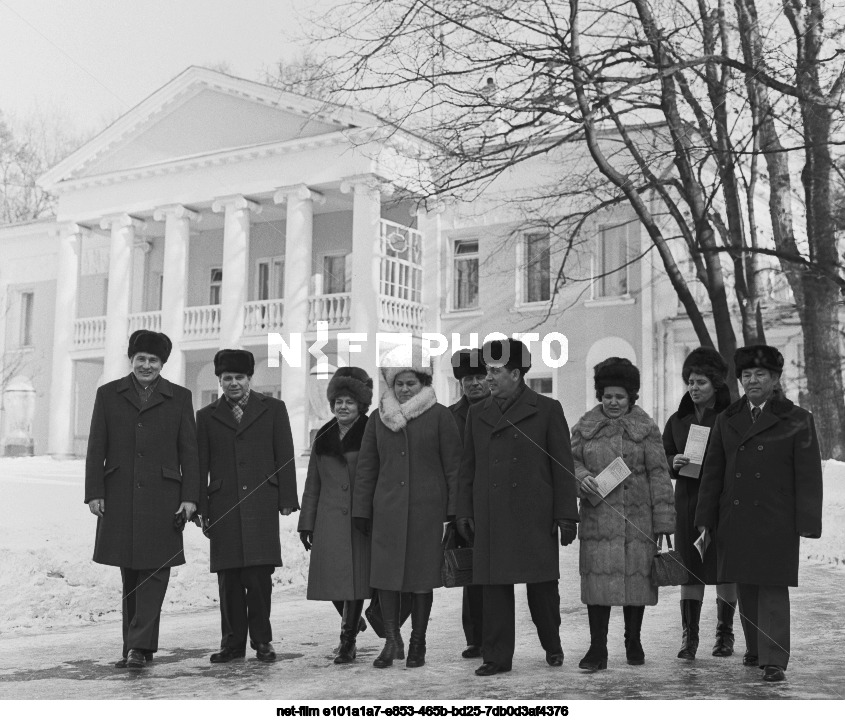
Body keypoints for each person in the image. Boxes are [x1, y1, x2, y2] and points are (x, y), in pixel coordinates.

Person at [695, 345, 823, 683]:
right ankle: (756, 649)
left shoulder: (797, 419)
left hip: (776, 517)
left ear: (775, 379)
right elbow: (713, 471)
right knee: (746, 586)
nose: (752, 381)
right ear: (739, 380)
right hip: (734, 516)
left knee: (772, 587)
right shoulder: (727, 419)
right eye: (746, 375)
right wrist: (705, 519)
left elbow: (809, 475)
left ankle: (774, 658)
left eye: (760, 375)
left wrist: (807, 522)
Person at [456, 338, 579, 677]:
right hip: (491, 515)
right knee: (494, 588)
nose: (487, 379)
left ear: (516, 373)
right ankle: (496, 656)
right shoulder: (478, 414)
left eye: (494, 372)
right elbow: (468, 467)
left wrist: (566, 514)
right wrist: (463, 511)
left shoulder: (547, 409)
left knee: (542, 589)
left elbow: (562, 467)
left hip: (534, 515)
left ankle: (551, 643)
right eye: (486, 372)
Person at [84, 330, 200, 669]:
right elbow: (96, 447)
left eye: (153, 360)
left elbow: (189, 453)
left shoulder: (179, 397)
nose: (146, 365)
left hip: (164, 499)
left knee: (155, 572)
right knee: (131, 574)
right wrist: (94, 492)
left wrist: (190, 498)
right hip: (119, 494)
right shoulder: (108, 394)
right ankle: (136, 646)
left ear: (162, 363)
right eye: (141, 359)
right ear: (131, 360)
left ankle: (137, 647)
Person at [352, 345, 462, 669]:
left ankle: (418, 642)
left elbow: (454, 467)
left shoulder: (440, 416)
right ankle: (391, 640)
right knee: (385, 579)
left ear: (424, 383)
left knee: (419, 580)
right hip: (386, 511)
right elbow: (366, 468)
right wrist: (361, 509)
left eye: (410, 382)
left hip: (426, 513)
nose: (403, 388)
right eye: (398, 383)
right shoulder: (378, 419)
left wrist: (454, 512)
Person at [572, 357, 675, 671]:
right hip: (598, 519)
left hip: (638, 520)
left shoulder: (646, 429)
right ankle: (597, 648)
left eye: (619, 396)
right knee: (597, 584)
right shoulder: (585, 427)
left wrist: (664, 521)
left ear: (632, 397)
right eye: (607, 395)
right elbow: (568, 461)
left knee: (636, 584)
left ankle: (633, 640)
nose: (612, 401)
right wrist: (580, 477)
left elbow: (659, 474)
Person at [197, 350, 298, 664]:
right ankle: (232, 644)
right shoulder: (206, 415)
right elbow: (200, 465)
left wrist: (286, 499)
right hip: (223, 503)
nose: (233, 383)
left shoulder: (273, 409)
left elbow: (285, 455)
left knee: (257, 578)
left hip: (260, 503)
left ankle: (262, 641)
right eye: (227, 378)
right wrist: (201, 506)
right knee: (228, 579)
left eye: (239, 377)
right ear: (220, 380)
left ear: (250, 379)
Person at [662, 347, 737, 660]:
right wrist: (672, 462)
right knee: (690, 569)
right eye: (690, 381)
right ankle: (689, 637)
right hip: (689, 503)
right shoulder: (677, 420)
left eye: (701, 382)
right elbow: (660, 458)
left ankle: (724, 634)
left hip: (723, 504)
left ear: (716, 385)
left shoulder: (732, 418)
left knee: (724, 568)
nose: (693, 387)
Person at [299, 367, 374, 664]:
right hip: (328, 519)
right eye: (338, 401)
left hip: (360, 519)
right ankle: (352, 620)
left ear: (361, 405)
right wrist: (307, 522)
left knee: (353, 581)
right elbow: (313, 482)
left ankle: (347, 641)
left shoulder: (371, 431)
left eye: (349, 402)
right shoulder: (324, 435)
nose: (343, 407)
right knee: (331, 580)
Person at [448, 348, 490, 660]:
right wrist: (456, 510)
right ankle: (475, 638)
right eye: (468, 379)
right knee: (471, 575)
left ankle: (498, 635)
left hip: (499, 501)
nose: (474, 383)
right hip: (468, 506)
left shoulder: (502, 409)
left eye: (479, 377)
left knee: (499, 573)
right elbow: (450, 466)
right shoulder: (451, 417)